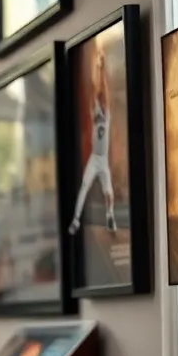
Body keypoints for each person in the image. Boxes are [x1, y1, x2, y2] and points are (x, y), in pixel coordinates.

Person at [69, 47, 115, 234]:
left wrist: (102, 68)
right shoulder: (94, 109)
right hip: (94, 157)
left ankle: (110, 216)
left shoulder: (108, 113)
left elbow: (104, 90)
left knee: (108, 191)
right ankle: (76, 219)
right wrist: (98, 67)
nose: (100, 101)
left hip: (102, 159)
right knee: (84, 187)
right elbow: (97, 90)